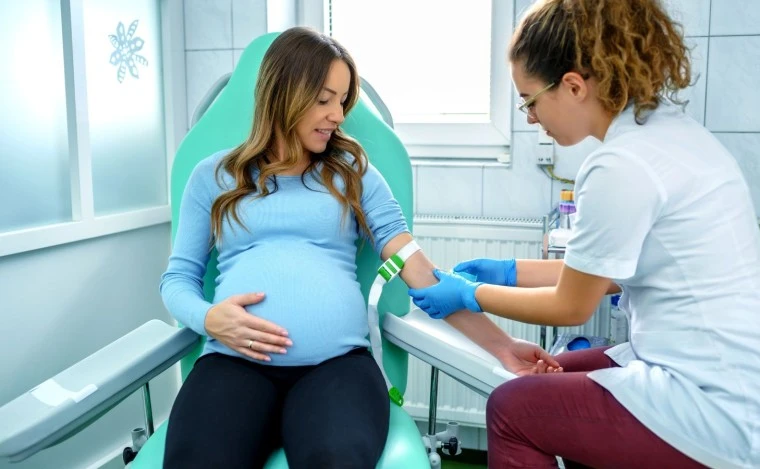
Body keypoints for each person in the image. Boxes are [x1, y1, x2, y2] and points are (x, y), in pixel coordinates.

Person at [407, 1, 760, 468]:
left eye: (529, 100)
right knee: (542, 376)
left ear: (572, 85)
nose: (529, 118)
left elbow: (571, 305)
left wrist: (472, 294)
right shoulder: (669, 131)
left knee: (512, 409)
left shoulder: (620, 165)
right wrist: (508, 272)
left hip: (737, 401)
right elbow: (606, 270)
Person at [159, 27, 558, 468]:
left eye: (342, 101)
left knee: (336, 460)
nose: (335, 115)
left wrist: (502, 347)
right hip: (234, 365)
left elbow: (420, 272)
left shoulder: (354, 174)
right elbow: (178, 279)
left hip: (337, 368)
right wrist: (208, 317)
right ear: (284, 92)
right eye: (324, 99)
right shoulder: (212, 176)